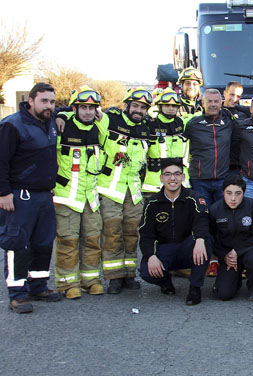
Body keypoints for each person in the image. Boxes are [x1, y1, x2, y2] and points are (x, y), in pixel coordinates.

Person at [0, 83, 61, 313]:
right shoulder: (12, 125)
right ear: (31, 101)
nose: (49, 106)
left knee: (43, 243)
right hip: (19, 195)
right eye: (44, 101)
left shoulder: (50, 121)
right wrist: (3, 192)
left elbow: (63, 111)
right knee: (17, 244)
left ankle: (38, 285)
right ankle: (17, 294)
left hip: (44, 195)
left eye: (52, 102)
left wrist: (61, 113)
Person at [96, 87, 152, 294]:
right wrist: (63, 116)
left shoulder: (146, 129)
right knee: (112, 233)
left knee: (131, 235)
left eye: (143, 108)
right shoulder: (110, 120)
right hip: (110, 189)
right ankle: (114, 277)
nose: (138, 110)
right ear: (126, 105)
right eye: (135, 106)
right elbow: (81, 113)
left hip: (134, 192)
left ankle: (129, 274)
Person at [52, 86, 104, 299]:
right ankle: (67, 284)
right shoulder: (61, 128)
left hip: (91, 197)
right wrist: (58, 113)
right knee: (67, 242)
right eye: (83, 107)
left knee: (93, 240)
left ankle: (90, 280)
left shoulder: (100, 129)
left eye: (92, 108)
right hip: (66, 197)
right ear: (75, 108)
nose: (88, 112)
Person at [138, 158, 212, 305]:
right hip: (165, 249)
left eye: (177, 174)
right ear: (161, 178)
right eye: (167, 174)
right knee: (146, 272)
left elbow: (202, 221)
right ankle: (165, 281)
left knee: (205, 242)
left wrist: (200, 240)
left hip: (187, 247)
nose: (172, 178)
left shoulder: (194, 198)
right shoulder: (152, 203)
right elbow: (146, 234)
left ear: (183, 177)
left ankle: (195, 288)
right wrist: (151, 256)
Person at [208, 175, 253, 301]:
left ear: (244, 193)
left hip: (250, 250)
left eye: (238, 193)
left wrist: (237, 251)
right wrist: (224, 255)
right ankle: (236, 280)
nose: (233, 198)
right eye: (229, 193)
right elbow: (211, 239)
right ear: (223, 192)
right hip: (228, 255)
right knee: (223, 294)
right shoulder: (214, 210)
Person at [184, 88, 233, 205]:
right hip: (200, 180)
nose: (213, 105)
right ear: (203, 103)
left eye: (216, 101)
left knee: (221, 216)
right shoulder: (193, 124)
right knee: (202, 215)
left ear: (221, 103)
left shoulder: (229, 122)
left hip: (222, 179)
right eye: (209, 101)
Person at [141, 88, 190, 195]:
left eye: (174, 106)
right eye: (167, 105)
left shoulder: (183, 124)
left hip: (180, 184)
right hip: (154, 186)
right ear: (160, 106)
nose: (171, 108)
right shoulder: (149, 125)